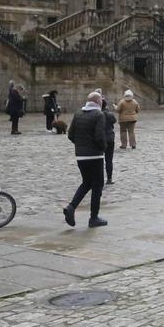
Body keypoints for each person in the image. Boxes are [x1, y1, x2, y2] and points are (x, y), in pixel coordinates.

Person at [63, 92, 108, 228]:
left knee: (86, 183)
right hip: (95, 156)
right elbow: (99, 136)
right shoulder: (99, 115)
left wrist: (81, 145)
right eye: (101, 101)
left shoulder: (78, 114)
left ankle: (71, 207)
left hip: (81, 156)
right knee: (97, 186)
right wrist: (103, 148)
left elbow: (70, 134)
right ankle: (93, 218)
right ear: (97, 102)